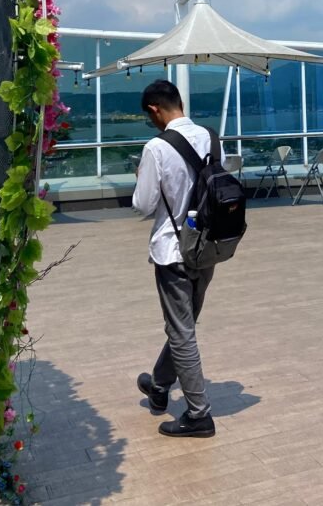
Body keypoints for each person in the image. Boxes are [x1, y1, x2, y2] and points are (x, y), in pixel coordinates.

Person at [132, 78, 217, 438]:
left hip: (173, 251)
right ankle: (160, 384)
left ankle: (199, 414)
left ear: (154, 109)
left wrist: (141, 177)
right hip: (206, 247)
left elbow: (143, 204)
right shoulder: (210, 136)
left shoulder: (157, 147)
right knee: (184, 324)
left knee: (181, 331)